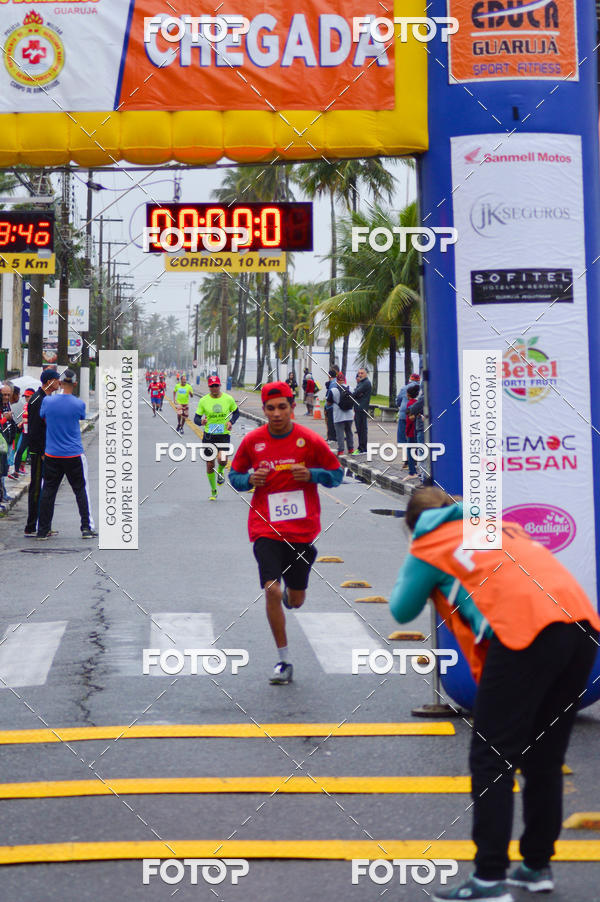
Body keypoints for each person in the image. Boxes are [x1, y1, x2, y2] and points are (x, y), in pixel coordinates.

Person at [390, 487, 600, 902]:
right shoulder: (499, 525)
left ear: (412, 525)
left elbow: (401, 609)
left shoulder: (429, 544)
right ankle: (536, 867)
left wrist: (419, 560)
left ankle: (488, 879)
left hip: (526, 635)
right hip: (581, 628)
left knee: (492, 758)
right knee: (544, 757)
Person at [229, 381, 342, 684]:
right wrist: (251, 479)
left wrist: (313, 474)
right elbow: (234, 477)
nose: (276, 413)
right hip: (264, 527)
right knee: (271, 589)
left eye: (282, 407)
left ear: (293, 407)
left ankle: (294, 593)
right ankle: (284, 661)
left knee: (296, 600)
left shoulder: (310, 440)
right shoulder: (253, 441)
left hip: (301, 532)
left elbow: (337, 475)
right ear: (264, 409)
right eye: (270, 408)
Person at [36, 369, 97, 539]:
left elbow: (44, 418)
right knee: (80, 490)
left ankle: (42, 530)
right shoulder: (79, 404)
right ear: (75, 384)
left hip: (52, 454)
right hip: (73, 454)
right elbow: (79, 418)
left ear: (60, 383)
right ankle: (86, 528)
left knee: (48, 491)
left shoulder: (47, 402)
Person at [24, 370, 60, 536]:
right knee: (37, 488)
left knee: (46, 488)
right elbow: (36, 429)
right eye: (57, 380)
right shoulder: (38, 399)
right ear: (49, 381)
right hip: (40, 451)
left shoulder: (45, 399)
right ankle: (32, 526)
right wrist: (41, 451)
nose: (59, 383)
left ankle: (43, 524)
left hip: (47, 450)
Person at [194, 375, 239, 500]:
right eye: (212, 386)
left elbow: (236, 412)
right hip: (209, 436)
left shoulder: (228, 399)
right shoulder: (203, 400)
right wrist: (201, 422)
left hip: (224, 435)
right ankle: (213, 490)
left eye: (216, 385)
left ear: (220, 386)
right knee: (209, 464)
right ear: (209, 387)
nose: (214, 388)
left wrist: (231, 422)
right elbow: (196, 418)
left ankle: (220, 472)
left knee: (223, 460)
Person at [327, 371, 356, 456]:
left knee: (339, 433)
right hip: (349, 415)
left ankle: (341, 450)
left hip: (338, 416)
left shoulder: (333, 390)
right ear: (344, 380)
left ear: (337, 380)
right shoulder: (351, 388)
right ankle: (351, 449)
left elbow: (328, 403)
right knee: (349, 431)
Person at [10, 387, 35, 478]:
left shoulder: (36, 405)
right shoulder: (26, 405)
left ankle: (38, 473)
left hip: (33, 433)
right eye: (25, 396)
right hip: (25, 432)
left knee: (34, 453)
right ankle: (16, 471)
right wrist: (21, 423)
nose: (26, 398)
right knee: (20, 451)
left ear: (33, 396)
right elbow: (25, 417)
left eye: (28, 396)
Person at [396, 372, 420, 452]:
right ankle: (415, 456)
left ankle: (406, 459)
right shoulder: (420, 388)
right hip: (415, 416)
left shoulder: (404, 388)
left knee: (402, 438)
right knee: (414, 436)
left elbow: (398, 400)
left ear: (410, 379)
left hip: (403, 414)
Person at [352, 367, 372, 453]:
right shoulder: (361, 382)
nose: (360, 375)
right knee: (359, 429)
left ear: (366, 373)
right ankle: (361, 447)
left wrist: (357, 394)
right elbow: (356, 393)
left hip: (362, 409)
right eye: (359, 373)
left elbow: (355, 393)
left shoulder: (366, 383)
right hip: (358, 408)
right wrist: (357, 394)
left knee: (362, 429)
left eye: (362, 373)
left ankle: (363, 448)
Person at [324, 367, 338, 443]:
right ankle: (330, 437)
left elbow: (331, 394)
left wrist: (328, 402)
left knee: (331, 423)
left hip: (331, 405)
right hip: (332, 405)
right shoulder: (335, 382)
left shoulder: (333, 384)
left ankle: (332, 438)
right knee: (331, 422)